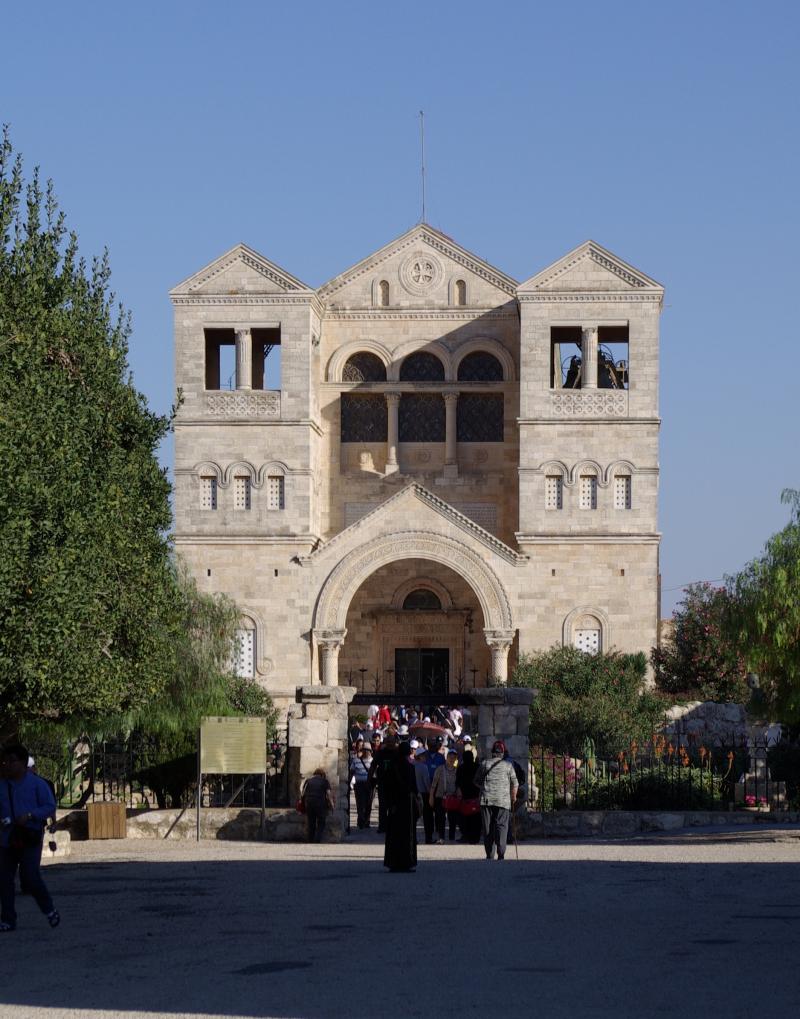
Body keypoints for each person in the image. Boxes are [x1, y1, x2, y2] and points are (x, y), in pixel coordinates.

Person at [0, 743, 60, 932]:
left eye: (12, 761)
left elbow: (49, 806)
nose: (7, 765)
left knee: (30, 877)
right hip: (6, 838)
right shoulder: (1, 785)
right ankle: (8, 919)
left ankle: (49, 909)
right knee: (4, 879)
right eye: (5, 761)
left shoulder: (37, 784)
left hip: (29, 837)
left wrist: (30, 815)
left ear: (23, 763)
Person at [474, 740, 519, 861]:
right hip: (503, 800)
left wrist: (484, 787)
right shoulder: (508, 766)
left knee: (487, 827)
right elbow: (515, 784)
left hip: (486, 800)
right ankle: (501, 853)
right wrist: (513, 797)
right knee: (502, 826)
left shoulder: (484, 764)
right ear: (503, 753)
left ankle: (489, 854)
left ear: (492, 752)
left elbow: (476, 781)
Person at [383, 742, 419, 873]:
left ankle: (393, 862)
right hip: (406, 804)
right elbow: (414, 788)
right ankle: (407, 862)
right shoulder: (410, 767)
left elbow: (386, 786)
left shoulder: (392, 766)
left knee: (394, 833)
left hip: (395, 804)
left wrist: (388, 803)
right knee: (407, 834)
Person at [369, 732, 397, 834]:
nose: (390, 743)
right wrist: (369, 779)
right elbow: (373, 766)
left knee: (394, 806)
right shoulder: (380, 753)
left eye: (391, 742)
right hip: (383, 783)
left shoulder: (397, 753)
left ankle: (393, 826)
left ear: (395, 742)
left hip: (395, 784)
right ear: (385, 742)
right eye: (388, 741)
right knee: (382, 806)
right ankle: (382, 826)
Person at [430, 750, 459, 842]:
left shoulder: (457, 771)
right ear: (446, 758)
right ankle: (441, 837)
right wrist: (431, 796)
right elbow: (434, 784)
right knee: (440, 819)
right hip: (440, 797)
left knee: (453, 820)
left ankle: (451, 838)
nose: (451, 759)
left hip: (452, 798)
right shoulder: (440, 769)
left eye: (453, 757)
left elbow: (458, 785)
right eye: (450, 756)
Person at [301, 767, 334, 843]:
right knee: (321, 822)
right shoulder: (324, 781)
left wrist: (303, 802)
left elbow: (302, 793)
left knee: (311, 822)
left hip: (309, 803)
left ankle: (310, 839)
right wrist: (332, 805)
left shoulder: (308, 781)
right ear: (322, 775)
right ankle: (318, 839)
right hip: (320, 804)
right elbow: (329, 794)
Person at [455, 749, 481, 843]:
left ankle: (466, 836)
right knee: (476, 817)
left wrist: (459, 791)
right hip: (476, 796)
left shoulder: (461, 768)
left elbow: (457, 782)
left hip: (465, 797)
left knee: (464, 817)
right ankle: (476, 837)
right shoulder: (477, 767)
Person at [350, 745, 372, 829]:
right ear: (362, 751)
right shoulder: (356, 760)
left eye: (368, 750)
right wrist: (349, 782)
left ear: (370, 751)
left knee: (368, 803)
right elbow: (352, 771)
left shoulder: (372, 761)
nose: (366, 752)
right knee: (360, 803)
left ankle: (367, 821)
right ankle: (360, 821)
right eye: (365, 750)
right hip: (359, 784)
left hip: (369, 784)